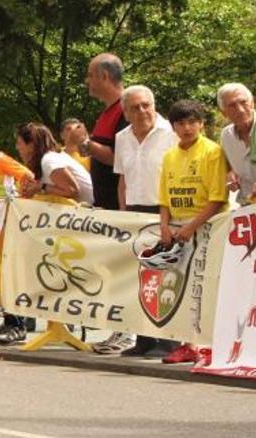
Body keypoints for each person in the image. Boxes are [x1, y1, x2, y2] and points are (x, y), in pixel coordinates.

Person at [102, 85, 178, 356]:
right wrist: (125, 215)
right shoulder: (122, 137)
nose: (142, 111)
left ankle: (170, 342)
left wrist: (168, 218)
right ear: (125, 112)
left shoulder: (171, 133)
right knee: (142, 277)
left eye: (146, 105)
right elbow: (123, 178)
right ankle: (144, 339)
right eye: (135, 108)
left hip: (165, 210)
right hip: (135, 210)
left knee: (168, 276)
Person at [158, 99, 229, 365]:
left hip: (208, 226)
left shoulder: (212, 152)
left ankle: (210, 345)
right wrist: (165, 225)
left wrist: (190, 227)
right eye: (180, 123)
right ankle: (187, 344)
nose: (187, 128)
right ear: (173, 126)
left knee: (207, 284)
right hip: (178, 228)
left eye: (192, 122)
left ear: (201, 124)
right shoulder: (169, 156)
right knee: (182, 287)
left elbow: (217, 198)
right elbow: (164, 197)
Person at [68, 53, 127, 210]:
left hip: (118, 206)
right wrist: (83, 143)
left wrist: (84, 142)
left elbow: (119, 158)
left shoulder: (126, 110)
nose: (87, 81)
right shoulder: (107, 111)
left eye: (90, 75)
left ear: (104, 76)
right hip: (103, 203)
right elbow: (93, 151)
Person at [15, 123, 94, 204]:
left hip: (94, 210)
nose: (17, 147)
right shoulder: (47, 159)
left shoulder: (49, 161)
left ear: (31, 145)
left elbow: (72, 191)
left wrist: (41, 187)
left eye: (19, 143)